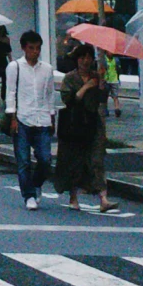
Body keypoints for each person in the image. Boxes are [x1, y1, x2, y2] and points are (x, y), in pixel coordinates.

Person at [54, 42, 110, 213]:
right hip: (75, 124)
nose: (85, 61)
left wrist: (101, 83)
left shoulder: (95, 76)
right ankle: (73, 196)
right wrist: (86, 87)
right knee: (75, 160)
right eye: (82, 57)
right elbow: (69, 100)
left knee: (96, 159)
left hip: (93, 123)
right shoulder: (70, 78)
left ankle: (103, 198)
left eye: (89, 57)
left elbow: (101, 99)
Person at [7, 28, 59, 209]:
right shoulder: (15, 67)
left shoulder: (47, 69)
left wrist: (52, 116)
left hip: (42, 118)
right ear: (24, 48)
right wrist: (12, 116)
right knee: (23, 161)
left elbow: (50, 94)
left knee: (45, 159)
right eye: (31, 48)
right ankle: (28, 195)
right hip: (22, 117)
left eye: (37, 48)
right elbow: (11, 93)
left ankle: (36, 184)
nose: (35, 52)